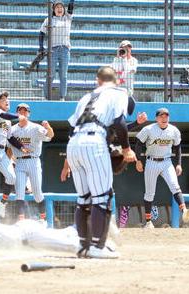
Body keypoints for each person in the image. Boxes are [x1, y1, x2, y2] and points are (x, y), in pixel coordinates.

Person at [60, 66, 136, 259]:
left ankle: (83, 246)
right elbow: (119, 122)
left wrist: (68, 162)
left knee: (83, 199)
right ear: (115, 81)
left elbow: (70, 129)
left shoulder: (86, 97)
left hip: (74, 143)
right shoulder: (119, 92)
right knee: (102, 197)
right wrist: (126, 149)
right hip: (94, 141)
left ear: (97, 80)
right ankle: (97, 247)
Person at [135, 108, 189, 228]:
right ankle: (148, 222)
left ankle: (184, 211)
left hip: (166, 162)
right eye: (161, 116)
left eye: (166, 116)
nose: (164, 118)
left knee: (175, 186)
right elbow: (138, 143)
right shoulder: (149, 129)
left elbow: (177, 147)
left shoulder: (174, 130)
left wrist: (178, 164)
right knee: (149, 193)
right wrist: (138, 161)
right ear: (156, 118)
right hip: (151, 161)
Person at [9, 103, 54, 221]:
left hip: (34, 161)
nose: (22, 113)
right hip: (19, 162)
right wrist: (8, 163)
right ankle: (21, 221)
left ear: (28, 114)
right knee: (19, 194)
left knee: (37, 193)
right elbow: (8, 148)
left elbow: (50, 136)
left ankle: (43, 219)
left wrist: (48, 127)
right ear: (17, 113)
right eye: (20, 111)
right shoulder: (12, 129)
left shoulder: (35, 127)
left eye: (25, 111)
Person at [39, 0, 75, 100]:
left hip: (65, 49)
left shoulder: (67, 18)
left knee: (63, 75)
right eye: (57, 7)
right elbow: (41, 33)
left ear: (64, 9)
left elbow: (71, 6)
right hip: (52, 50)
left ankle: (62, 97)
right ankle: (46, 97)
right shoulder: (49, 20)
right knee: (51, 74)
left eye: (61, 7)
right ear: (53, 9)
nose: (59, 9)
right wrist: (41, 46)